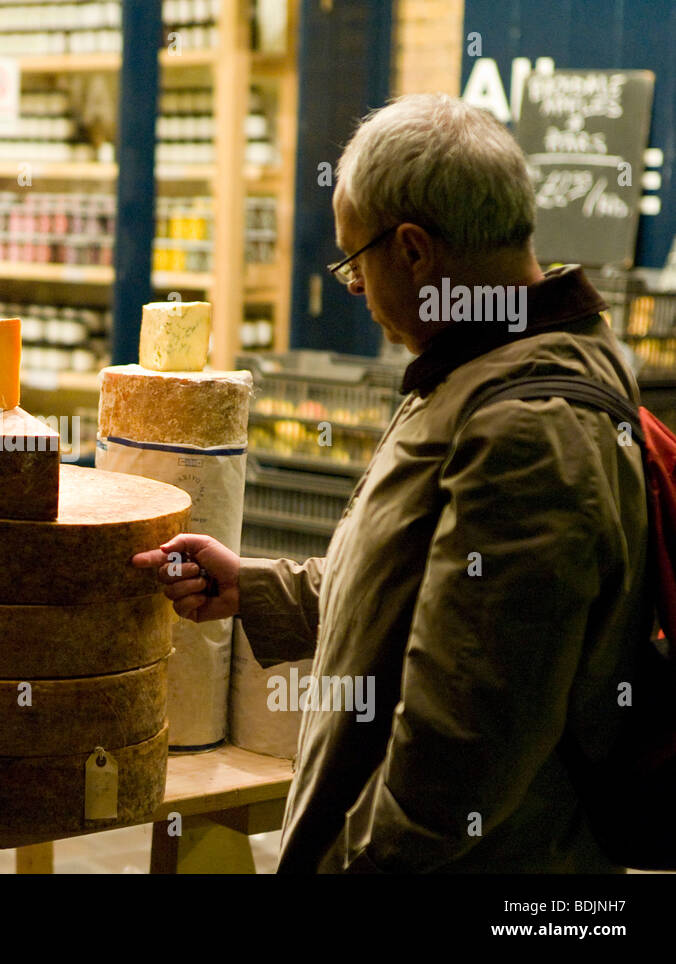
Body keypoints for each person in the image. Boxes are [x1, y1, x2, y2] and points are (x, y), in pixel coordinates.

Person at [133, 93, 651, 872]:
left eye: (352, 263)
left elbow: (460, 753)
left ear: (412, 251)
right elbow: (424, 590)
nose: (356, 290)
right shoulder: (484, 367)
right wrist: (263, 588)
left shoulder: (529, 428)